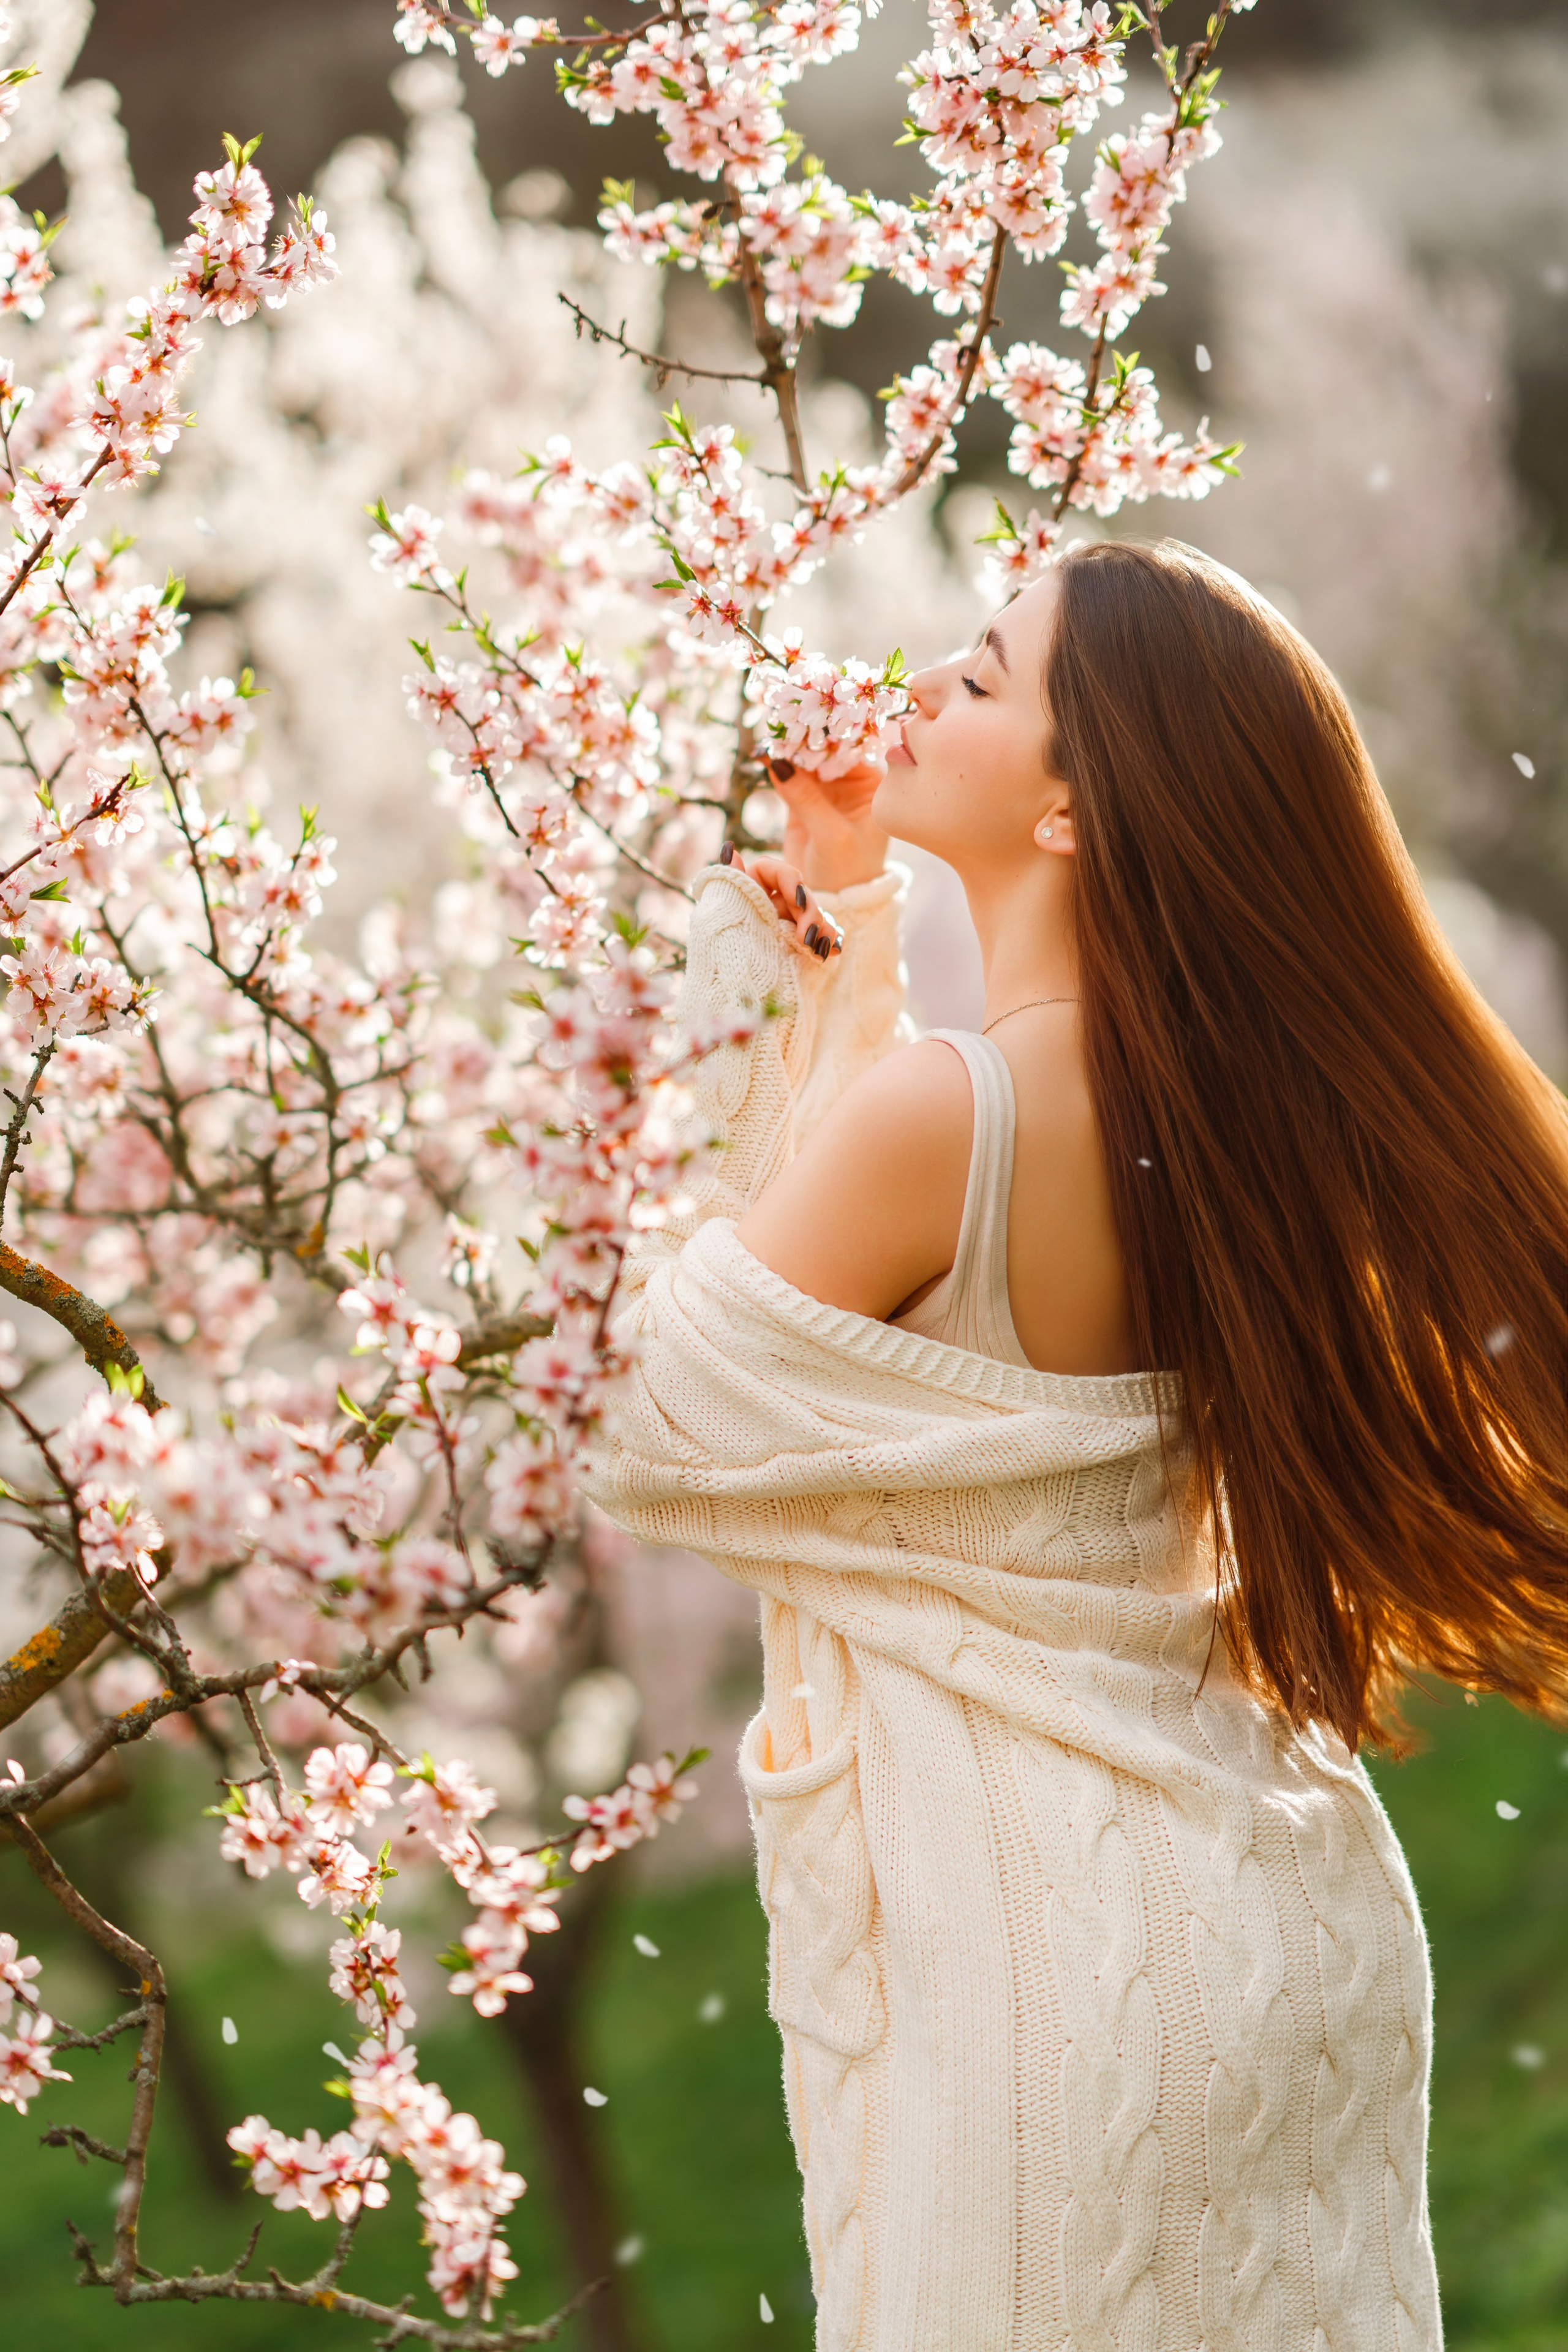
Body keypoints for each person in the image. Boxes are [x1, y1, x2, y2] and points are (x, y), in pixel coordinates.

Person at [584, 538, 1568, 2350]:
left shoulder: (947, 1110)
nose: (925, 688)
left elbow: (660, 1422)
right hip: (1283, 1914)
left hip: (1049, 1981)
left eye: (981, 675)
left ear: (1069, 815)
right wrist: (855, 917)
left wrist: (799, 961)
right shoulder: (1222, 1110)